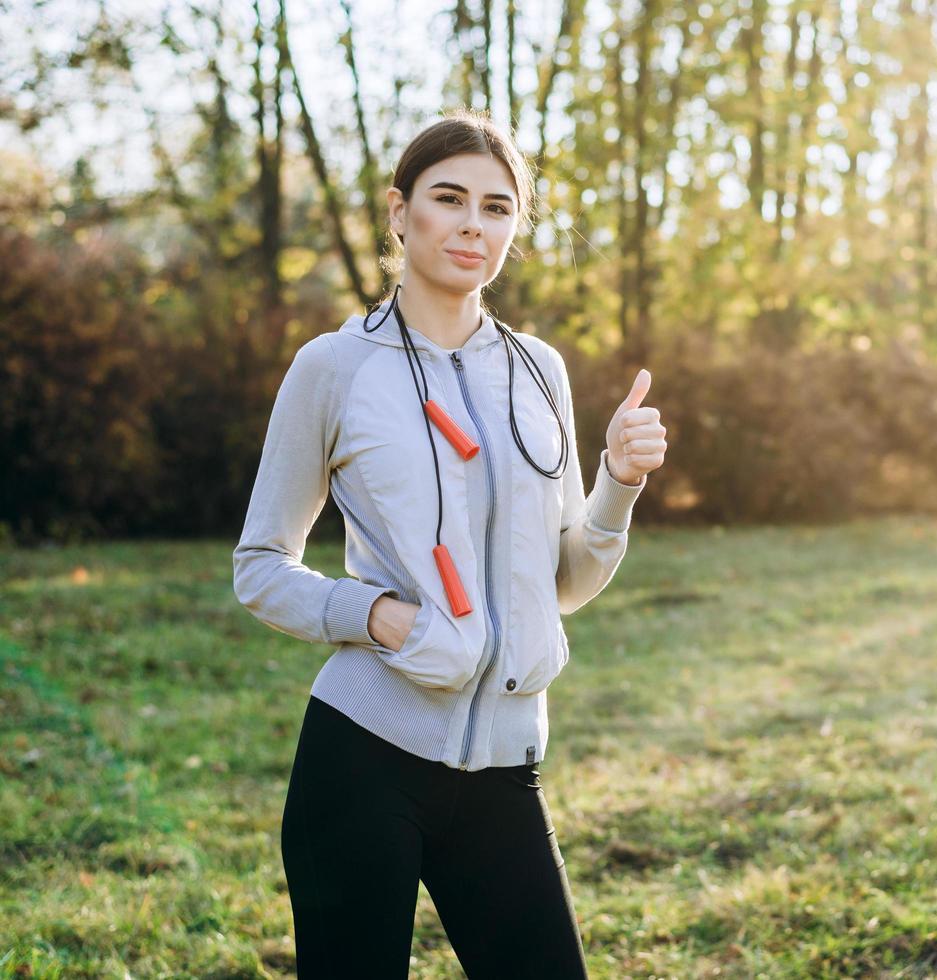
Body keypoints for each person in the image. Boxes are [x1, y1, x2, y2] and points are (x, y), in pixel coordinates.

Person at [232, 108, 668, 978]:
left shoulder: (540, 369)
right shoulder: (336, 366)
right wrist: (380, 617)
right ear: (400, 212)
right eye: (449, 198)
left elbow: (565, 582)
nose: (474, 224)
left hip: (506, 769)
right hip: (364, 761)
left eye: (498, 207)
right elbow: (259, 568)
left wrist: (618, 481)